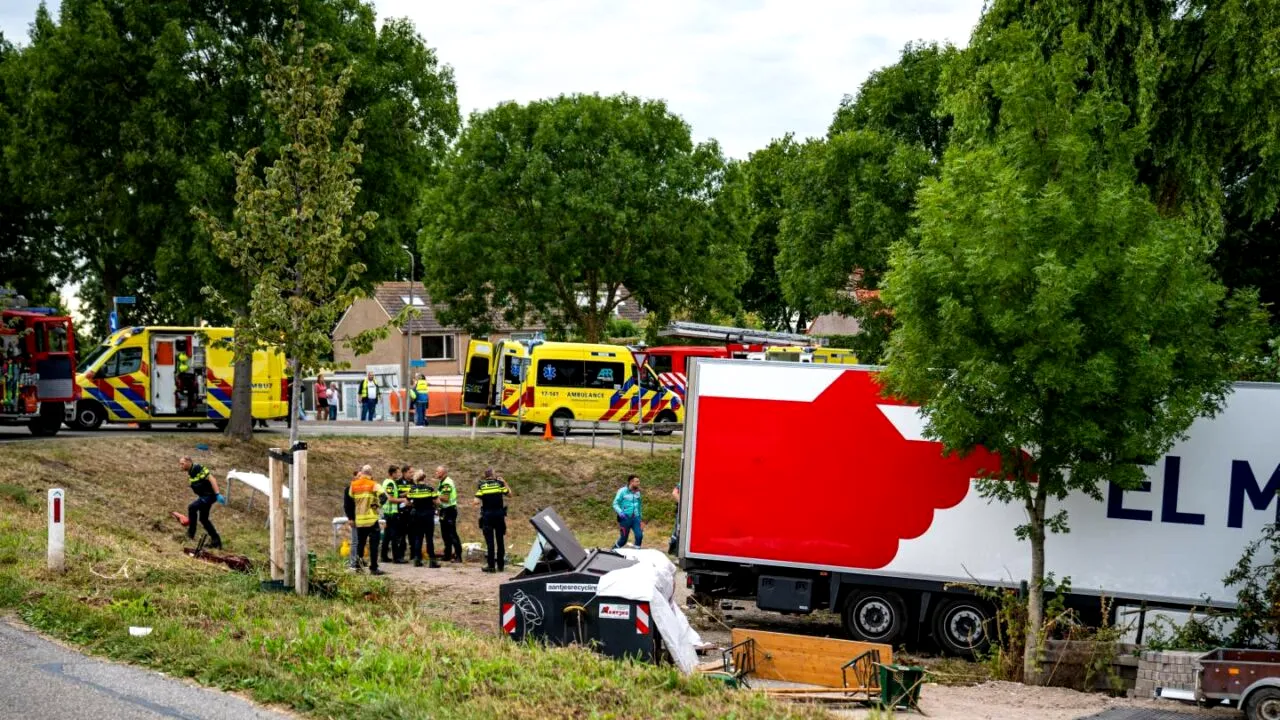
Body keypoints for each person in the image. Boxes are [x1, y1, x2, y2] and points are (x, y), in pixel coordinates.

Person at [344, 465, 386, 575]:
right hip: (371, 519)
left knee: (360, 544)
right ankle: (373, 568)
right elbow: (384, 497)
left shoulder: (354, 485)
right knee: (374, 545)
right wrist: (376, 506)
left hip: (360, 520)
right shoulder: (374, 484)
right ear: (371, 474)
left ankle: (358, 567)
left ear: (362, 473)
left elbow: (351, 498)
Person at [180, 456, 224, 549]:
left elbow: (212, 479)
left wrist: (217, 494)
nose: (181, 466)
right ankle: (216, 541)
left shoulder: (198, 468)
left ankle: (190, 534)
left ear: (189, 462)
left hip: (209, 496)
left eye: (182, 463)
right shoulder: (191, 472)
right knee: (203, 519)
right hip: (204, 496)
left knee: (192, 507)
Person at [472, 468, 512, 573]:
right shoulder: (499, 484)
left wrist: (482, 500)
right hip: (499, 516)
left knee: (490, 542)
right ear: (493, 475)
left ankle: (491, 566)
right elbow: (510, 494)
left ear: (485, 476)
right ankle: (501, 566)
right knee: (500, 541)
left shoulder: (482, 486)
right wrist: (505, 483)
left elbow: (475, 502)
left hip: (487, 517)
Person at [405, 470, 441, 568]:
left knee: (418, 537)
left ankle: (417, 559)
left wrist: (414, 504)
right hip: (428, 514)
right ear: (424, 478)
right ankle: (432, 561)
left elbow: (407, 502)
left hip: (416, 515)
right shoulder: (430, 489)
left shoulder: (412, 489)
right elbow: (438, 502)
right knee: (429, 538)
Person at [379, 466, 406, 565]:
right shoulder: (390, 483)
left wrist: (404, 494)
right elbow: (390, 499)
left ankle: (384, 556)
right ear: (393, 473)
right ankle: (396, 557)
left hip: (388, 512)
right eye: (397, 473)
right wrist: (402, 500)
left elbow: (394, 495)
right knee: (394, 535)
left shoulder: (387, 482)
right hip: (391, 513)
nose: (398, 475)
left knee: (387, 535)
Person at [436, 465, 462, 562]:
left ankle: (458, 555)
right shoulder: (442, 482)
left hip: (449, 510)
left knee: (452, 533)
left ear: (443, 473)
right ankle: (447, 554)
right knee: (445, 534)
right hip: (444, 510)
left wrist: (434, 495)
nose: (436, 473)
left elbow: (446, 498)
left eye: (438, 472)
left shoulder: (447, 483)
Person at [612, 474, 644, 548]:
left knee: (639, 536)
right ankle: (613, 551)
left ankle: (636, 553)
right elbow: (615, 504)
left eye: (639, 481)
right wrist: (620, 513)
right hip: (625, 518)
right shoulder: (622, 491)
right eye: (637, 481)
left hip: (636, 518)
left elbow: (639, 505)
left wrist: (640, 517)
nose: (639, 483)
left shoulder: (638, 492)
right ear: (631, 482)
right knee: (623, 540)